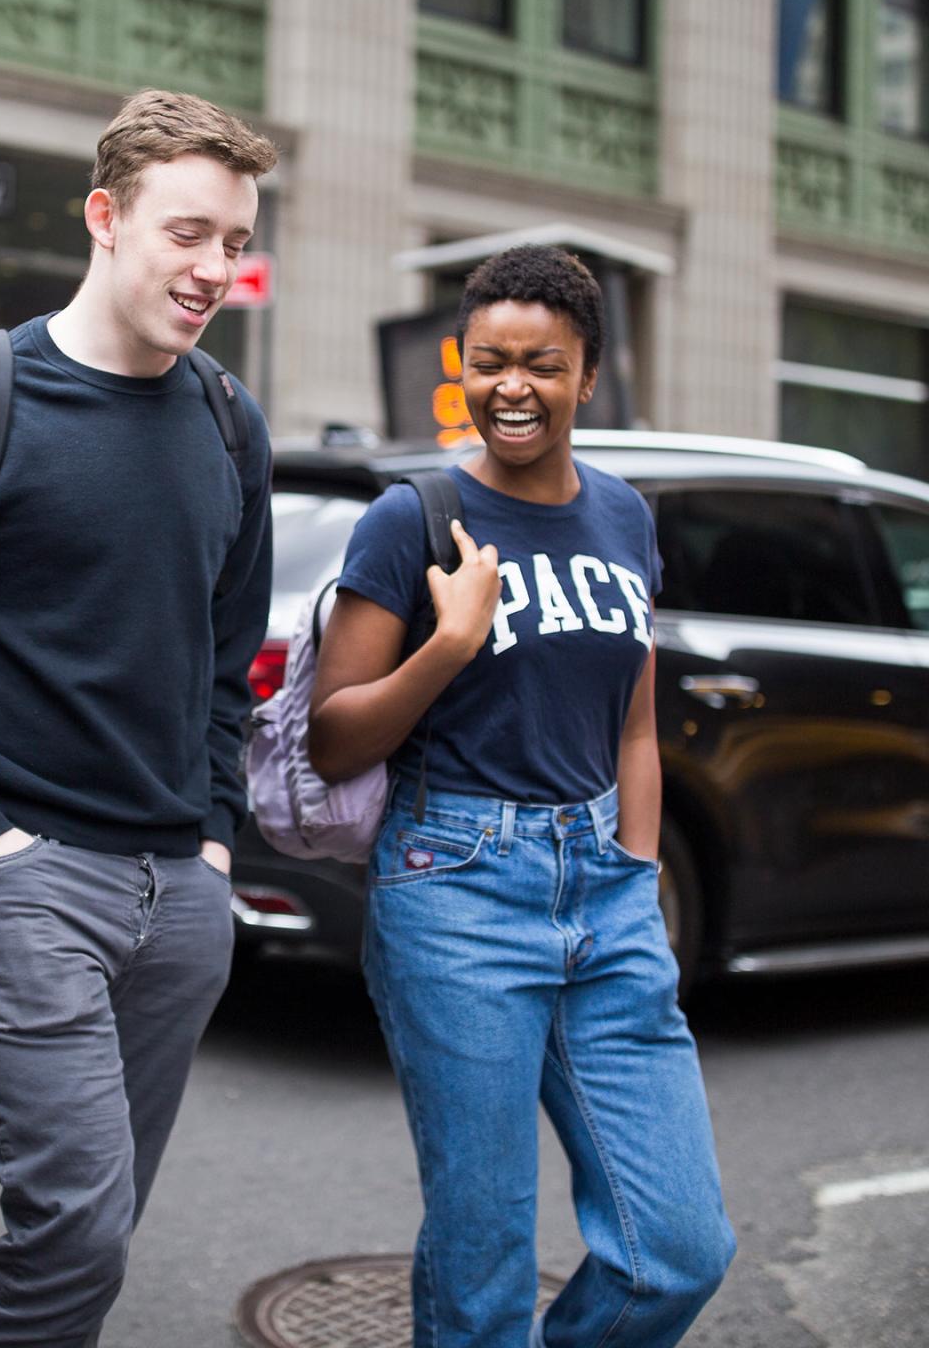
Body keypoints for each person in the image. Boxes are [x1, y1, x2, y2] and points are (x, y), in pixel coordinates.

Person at [0, 88, 277, 1347]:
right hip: (21, 880)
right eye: (186, 232)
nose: (213, 267)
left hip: (181, 896)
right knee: (78, 1226)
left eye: (234, 241)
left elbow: (226, 653)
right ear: (105, 218)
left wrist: (214, 840)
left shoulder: (228, 418)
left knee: (91, 1229)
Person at [308, 244, 735, 1348]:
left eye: (542, 364)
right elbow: (333, 734)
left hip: (604, 892)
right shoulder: (413, 519)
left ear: (586, 374)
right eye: (490, 361)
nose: (512, 386)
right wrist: (446, 645)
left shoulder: (625, 517)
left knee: (679, 1247)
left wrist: (636, 872)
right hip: (454, 889)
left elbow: (634, 719)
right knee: (483, 1250)